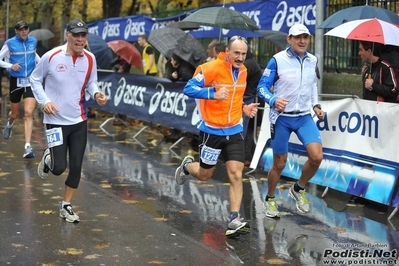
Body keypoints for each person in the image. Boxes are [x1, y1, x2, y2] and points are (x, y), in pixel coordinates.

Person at [174, 36, 259, 237]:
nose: (239, 57)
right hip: (211, 131)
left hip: (234, 130)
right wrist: (213, 93)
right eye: (236, 53)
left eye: (243, 54)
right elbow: (189, 88)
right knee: (205, 175)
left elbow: (234, 99)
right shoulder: (211, 68)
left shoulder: (244, 71)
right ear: (227, 51)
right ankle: (186, 166)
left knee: (236, 174)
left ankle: (234, 219)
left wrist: (244, 108)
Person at [30, 19, 107, 223]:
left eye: (83, 36)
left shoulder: (90, 58)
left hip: (79, 119)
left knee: (76, 166)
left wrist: (97, 93)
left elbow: (92, 83)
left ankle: (66, 206)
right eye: (76, 35)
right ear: (68, 35)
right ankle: (49, 159)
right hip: (55, 120)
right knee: (58, 168)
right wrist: (44, 101)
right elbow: (35, 79)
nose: (80, 39)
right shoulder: (52, 56)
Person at [256, 24, 324, 218]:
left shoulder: (312, 59)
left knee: (317, 157)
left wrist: (316, 105)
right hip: (282, 118)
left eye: (305, 37)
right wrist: (273, 100)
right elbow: (262, 87)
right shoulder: (277, 60)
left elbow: (312, 85)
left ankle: (298, 188)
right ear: (289, 39)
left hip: (303, 117)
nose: (302, 41)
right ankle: (270, 198)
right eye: (298, 37)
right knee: (280, 164)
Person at [0, 20, 40, 158]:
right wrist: (10, 66)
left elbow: (34, 55)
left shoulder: (33, 41)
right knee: (15, 114)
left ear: (28, 30)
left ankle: (28, 147)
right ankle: (10, 123)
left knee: (29, 112)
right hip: (16, 81)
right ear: (16, 31)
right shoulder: (10, 43)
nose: (24, 31)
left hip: (30, 81)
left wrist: (42, 65)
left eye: (26, 29)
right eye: (21, 29)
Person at [242, 49, 263, 166]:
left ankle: (246, 157)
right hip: (252, 100)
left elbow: (238, 78)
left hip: (252, 100)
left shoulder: (248, 64)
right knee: (249, 129)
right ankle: (246, 157)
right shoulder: (251, 62)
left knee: (248, 129)